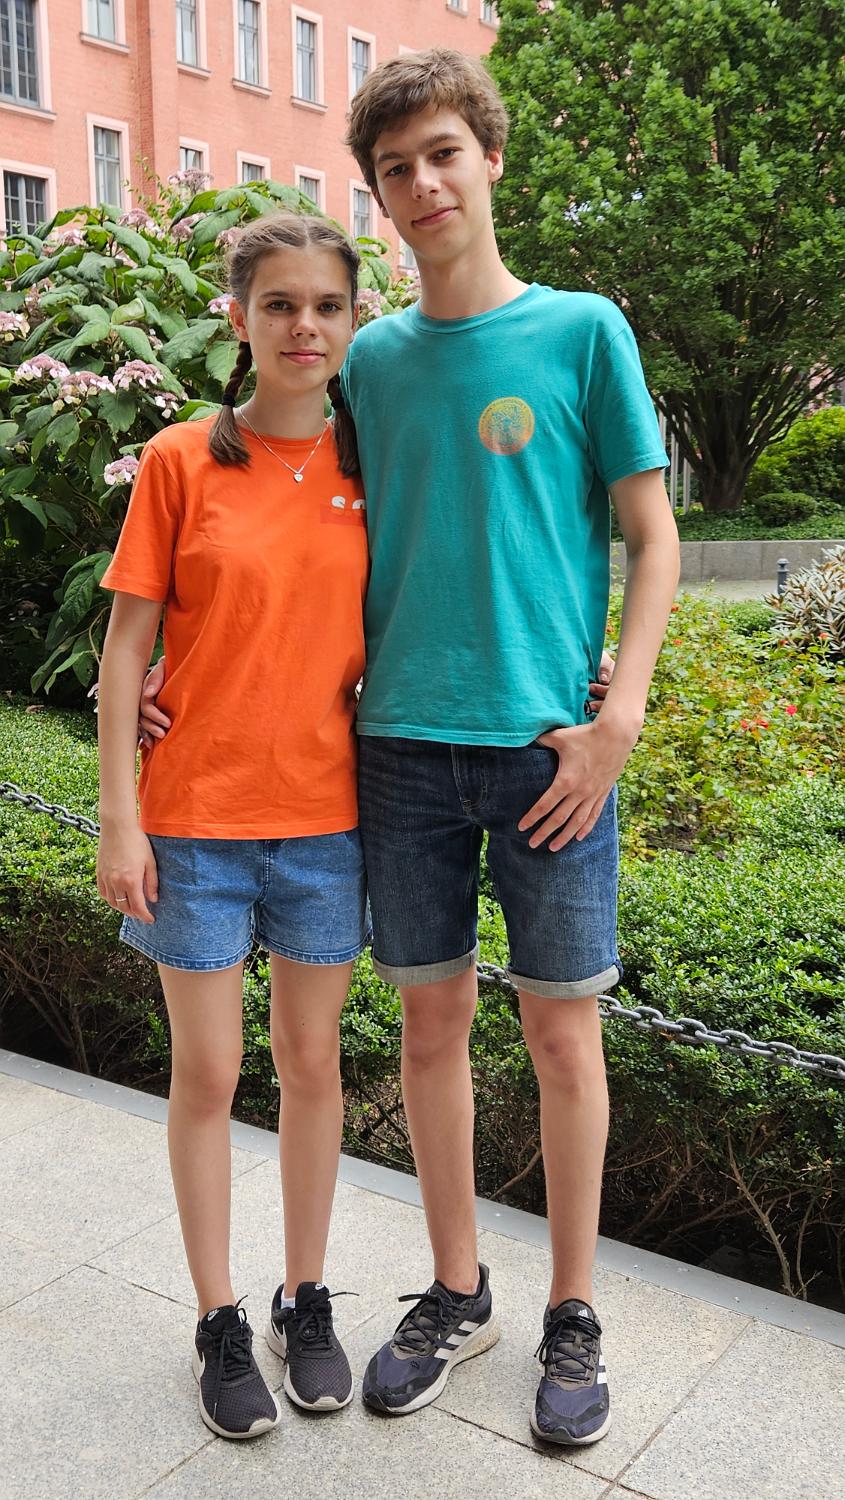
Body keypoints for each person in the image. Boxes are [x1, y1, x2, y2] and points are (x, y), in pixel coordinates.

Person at [141, 46, 680, 1449]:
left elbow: (651, 535)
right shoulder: (369, 360)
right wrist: (159, 680)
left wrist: (617, 718)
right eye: (395, 168)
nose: (424, 182)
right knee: (430, 1030)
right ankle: (457, 1290)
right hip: (392, 750)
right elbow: (276, 512)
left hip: (551, 753)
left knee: (561, 1035)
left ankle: (572, 1312)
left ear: (488, 158)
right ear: (378, 197)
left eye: (443, 153)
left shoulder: (582, 330)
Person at [96, 213, 370, 1440]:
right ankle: (216, 1317)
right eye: (279, 304)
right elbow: (127, 648)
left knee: (312, 1066)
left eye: (326, 305)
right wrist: (120, 816)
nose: (303, 325)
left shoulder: (376, 464)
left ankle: (302, 1297)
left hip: (328, 825)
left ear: (352, 320)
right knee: (207, 1074)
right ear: (239, 318)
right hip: (194, 823)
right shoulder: (180, 460)